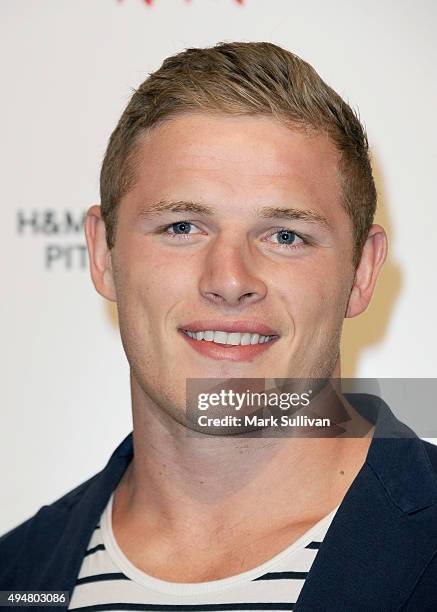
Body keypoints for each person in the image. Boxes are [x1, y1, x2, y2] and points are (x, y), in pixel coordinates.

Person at [1, 41, 437, 611]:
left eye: (286, 235)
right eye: (183, 227)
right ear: (103, 254)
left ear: (362, 271)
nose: (230, 279)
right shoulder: (17, 574)